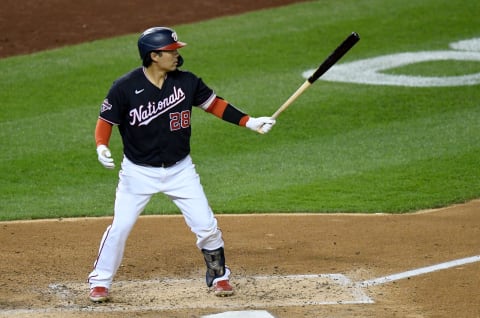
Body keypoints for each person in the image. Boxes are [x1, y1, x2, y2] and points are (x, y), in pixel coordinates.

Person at [87, 26, 276, 303]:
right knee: (121, 226)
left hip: (180, 170)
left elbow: (215, 105)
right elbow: (106, 121)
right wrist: (101, 145)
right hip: (138, 173)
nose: (177, 55)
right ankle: (100, 282)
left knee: (206, 225)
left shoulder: (187, 82)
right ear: (153, 55)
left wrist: (249, 121)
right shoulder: (125, 87)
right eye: (171, 51)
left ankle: (219, 275)